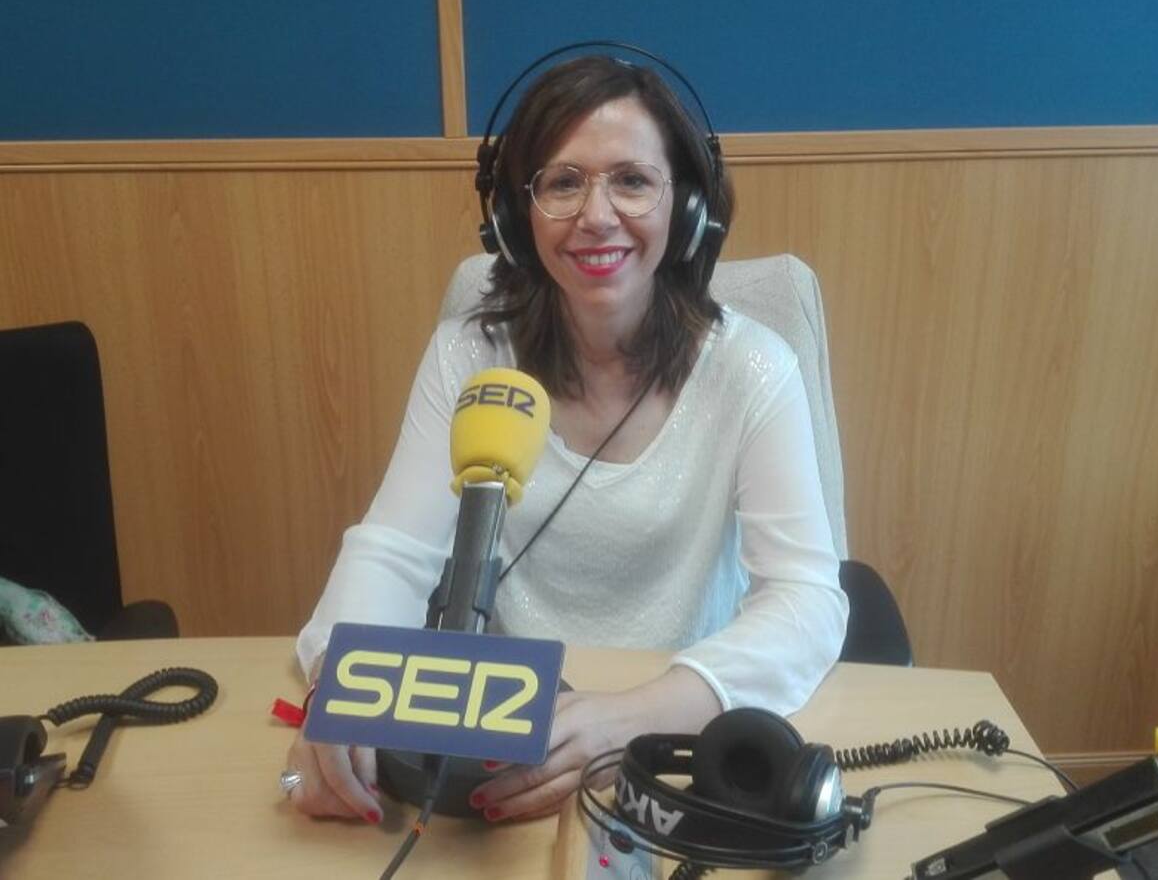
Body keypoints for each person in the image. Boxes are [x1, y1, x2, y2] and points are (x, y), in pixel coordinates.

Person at [284, 54, 848, 825]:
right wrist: (340, 688)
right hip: (499, 752)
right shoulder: (470, 356)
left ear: (688, 208)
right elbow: (394, 552)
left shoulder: (752, 369)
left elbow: (806, 599)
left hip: (666, 750)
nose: (597, 215)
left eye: (633, 181)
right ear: (516, 219)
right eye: (562, 183)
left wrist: (633, 717)